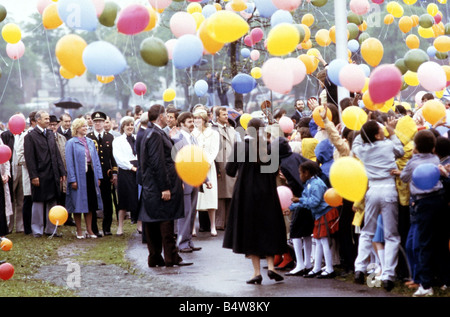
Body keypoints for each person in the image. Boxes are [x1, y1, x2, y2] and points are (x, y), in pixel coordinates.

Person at [223, 118, 286, 284]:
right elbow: (274, 172)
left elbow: (229, 171)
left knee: (250, 231)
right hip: (267, 194)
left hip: (245, 194)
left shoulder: (240, 146)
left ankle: (257, 272)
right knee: (268, 228)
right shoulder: (269, 148)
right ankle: (271, 267)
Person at [352, 118, 404, 291]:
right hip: (388, 188)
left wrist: (363, 126)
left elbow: (356, 142)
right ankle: (388, 274)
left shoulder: (362, 150)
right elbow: (401, 151)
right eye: (381, 130)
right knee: (391, 235)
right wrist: (393, 131)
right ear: (376, 134)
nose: (384, 131)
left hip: (372, 189)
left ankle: (359, 268)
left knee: (367, 231)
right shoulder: (389, 145)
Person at [395, 130, 450, 296]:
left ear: (415, 147)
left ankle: (426, 285)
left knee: (424, 243)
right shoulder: (435, 159)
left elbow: (404, 178)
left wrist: (412, 158)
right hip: (439, 200)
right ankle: (446, 280)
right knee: (441, 241)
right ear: (433, 147)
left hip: (423, 203)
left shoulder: (412, 162)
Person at [138, 104, 192, 268]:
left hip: (153, 187)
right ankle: (170, 257)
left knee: (154, 222)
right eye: (166, 115)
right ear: (160, 116)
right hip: (159, 187)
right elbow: (158, 163)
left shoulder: (151, 132)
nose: (168, 117)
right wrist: (165, 188)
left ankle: (155, 257)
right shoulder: (154, 134)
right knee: (165, 222)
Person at [288, 161, 338, 279]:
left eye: (300, 173)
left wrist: (299, 200)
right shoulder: (311, 183)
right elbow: (307, 200)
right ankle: (317, 268)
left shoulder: (315, 184)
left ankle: (330, 268)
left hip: (325, 213)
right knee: (319, 240)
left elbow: (314, 202)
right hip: (320, 214)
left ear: (307, 173)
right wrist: (291, 207)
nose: (299, 176)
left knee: (324, 241)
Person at [171, 112, 211, 252]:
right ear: (181, 124)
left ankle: (188, 242)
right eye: (189, 121)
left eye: (193, 121)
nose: (192, 124)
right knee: (185, 213)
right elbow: (175, 162)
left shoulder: (193, 139)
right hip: (184, 181)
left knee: (192, 213)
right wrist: (178, 181)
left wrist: (205, 179)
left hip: (195, 181)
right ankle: (182, 243)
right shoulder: (177, 139)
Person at [24, 110, 66, 237]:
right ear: (38, 120)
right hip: (40, 174)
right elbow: (29, 159)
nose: (48, 121)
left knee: (52, 201)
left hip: (52, 173)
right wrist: (34, 175)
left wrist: (61, 171)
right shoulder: (30, 136)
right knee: (38, 202)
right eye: (46, 119)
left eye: (48, 119)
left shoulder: (50, 134)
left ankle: (51, 228)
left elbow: (56, 154)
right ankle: (37, 229)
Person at [65, 118, 103, 239]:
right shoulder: (71, 143)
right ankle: (79, 230)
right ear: (77, 128)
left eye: (86, 126)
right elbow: (69, 163)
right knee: (78, 203)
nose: (86, 128)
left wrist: (99, 176)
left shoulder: (90, 142)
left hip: (90, 174)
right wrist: (72, 179)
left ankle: (90, 230)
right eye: (83, 127)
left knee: (91, 203)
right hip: (78, 175)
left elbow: (96, 160)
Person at [87, 111, 117, 237]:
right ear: (92, 123)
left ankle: (107, 227)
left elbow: (113, 157)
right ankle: (94, 228)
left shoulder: (109, 137)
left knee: (107, 201)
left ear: (104, 122)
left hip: (106, 174)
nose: (98, 124)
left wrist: (114, 172)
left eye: (100, 121)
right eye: (96, 121)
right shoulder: (89, 137)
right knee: (93, 201)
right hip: (92, 174)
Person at [192, 108, 220, 236]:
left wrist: (207, 163)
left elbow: (214, 149)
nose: (197, 121)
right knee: (195, 198)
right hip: (196, 167)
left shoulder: (213, 133)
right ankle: (192, 227)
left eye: (199, 118)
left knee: (210, 195)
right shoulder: (192, 133)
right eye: (195, 118)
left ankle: (213, 226)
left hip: (209, 166)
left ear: (204, 119)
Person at [112, 116, 139, 236]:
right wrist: (131, 167)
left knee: (138, 199)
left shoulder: (137, 138)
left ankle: (139, 225)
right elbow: (118, 158)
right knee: (123, 200)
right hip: (125, 171)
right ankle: (120, 227)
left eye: (132, 125)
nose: (130, 127)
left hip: (138, 170)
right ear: (123, 127)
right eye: (127, 125)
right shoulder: (117, 141)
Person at [211, 106, 236, 231]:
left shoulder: (232, 129)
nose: (226, 117)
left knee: (231, 194)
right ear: (217, 117)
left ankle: (229, 221)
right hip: (219, 163)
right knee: (220, 195)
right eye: (223, 115)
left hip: (231, 163)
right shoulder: (213, 130)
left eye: (227, 114)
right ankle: (219, 222)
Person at [16, 111, 37, 235]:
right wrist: (32, 164)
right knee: (28, 199)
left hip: (40, 172)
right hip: (28, 172)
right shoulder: (25, 135)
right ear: (33, 121)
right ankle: (27, 227)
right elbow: (20, 156)